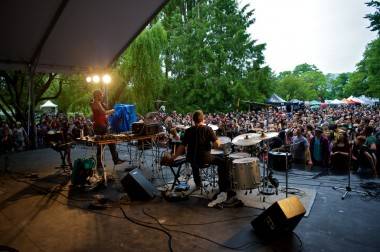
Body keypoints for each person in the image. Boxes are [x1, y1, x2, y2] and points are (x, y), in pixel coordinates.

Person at [181, 110, 235, 200]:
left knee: (194, 159)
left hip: (192, 160)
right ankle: (223, 188)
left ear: (193, 120)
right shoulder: (208, 129)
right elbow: (217, 144)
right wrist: (216, 143)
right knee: (223, 161)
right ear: (203, 119)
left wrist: (173, 157)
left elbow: (182, 146)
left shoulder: (188, 131)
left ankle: (198, 184)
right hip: (204, 160)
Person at [90, 90, 125, 179]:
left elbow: (103, 115)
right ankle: (101, 164)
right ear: (97, 95)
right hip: (99, 127)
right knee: (101, 146)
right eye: (101, 95)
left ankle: (115, 160)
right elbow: (104, 112)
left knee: (110, 142)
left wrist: (109, 116)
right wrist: (114, 110)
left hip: (101, 126)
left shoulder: (98, 103)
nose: (102, 96)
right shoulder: (96, 103)